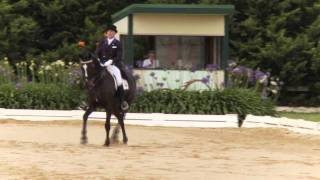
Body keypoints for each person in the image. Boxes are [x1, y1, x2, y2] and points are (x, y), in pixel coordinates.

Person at [95, 25, 128, 111]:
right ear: (106, 33)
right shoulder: (102, 42)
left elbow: (119, 56)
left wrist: (111, 61)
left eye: (111, 31)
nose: (109, 33)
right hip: (102, 64)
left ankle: (122, 101)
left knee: (119, 80)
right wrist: (98, 59)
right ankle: (91, 99)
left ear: (114, 33)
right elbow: (97, 53)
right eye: (108, 31)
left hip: (113, 65)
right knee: (92, 78)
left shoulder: (118, 43)